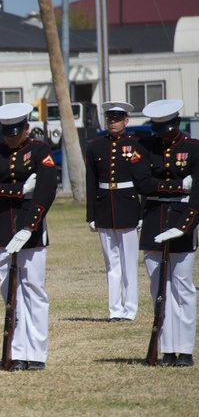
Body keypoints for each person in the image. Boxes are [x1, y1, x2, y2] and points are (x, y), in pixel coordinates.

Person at [0, 102, 57, 371]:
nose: (11, 138)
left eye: (16, 132)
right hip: (3, 227)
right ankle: (17, 351)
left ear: (26, 128)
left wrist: (29, 227)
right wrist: (21, 189)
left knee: (33, 290)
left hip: (31, 226)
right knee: (8, 291)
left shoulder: (40, 150)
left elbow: (46, 192)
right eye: (7, 133)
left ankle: (36, 353)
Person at [138, 99, 197, 368]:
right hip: (153, 220)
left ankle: (184, 350)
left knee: (182, 288)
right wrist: (178, 186)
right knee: (158, 288)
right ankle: (167, 349)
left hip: (182, 221)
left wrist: (185, 226)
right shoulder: (145, 147)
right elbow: (143, 184)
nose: (162, 134)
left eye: (167, 129)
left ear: (177, 124)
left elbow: (197, 194)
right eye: (158, 129)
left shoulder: (193, 148)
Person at [84, 101, 146, 322]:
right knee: (111, 264)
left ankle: (130, 310)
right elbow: (90, 182)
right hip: (104, 207)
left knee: (129, 263)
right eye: (110, 118)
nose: (113, 122)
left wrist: (142, 213)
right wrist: (90, 215)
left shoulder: (137, 145)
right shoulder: (95, 146)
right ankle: (115, 310)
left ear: (126, 121)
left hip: (128, 205)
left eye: (117, 119)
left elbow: (143, 182)